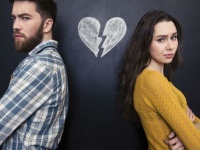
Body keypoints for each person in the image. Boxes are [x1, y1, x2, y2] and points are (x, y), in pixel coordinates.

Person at [120, 10, 200, 149]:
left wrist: (191, 131)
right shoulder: (153, 81)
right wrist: (189, 134)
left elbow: (193, 128)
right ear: (146, 42)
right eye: (161, 39)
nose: (170, 46)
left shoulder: (158, 80)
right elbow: (195, 143)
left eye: (173, 37)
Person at [0, 0, 68, 149]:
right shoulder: (44, 61)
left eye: (25, 18)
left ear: (47, 25)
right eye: (14, 18)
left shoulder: (42, 66)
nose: (15, 26)